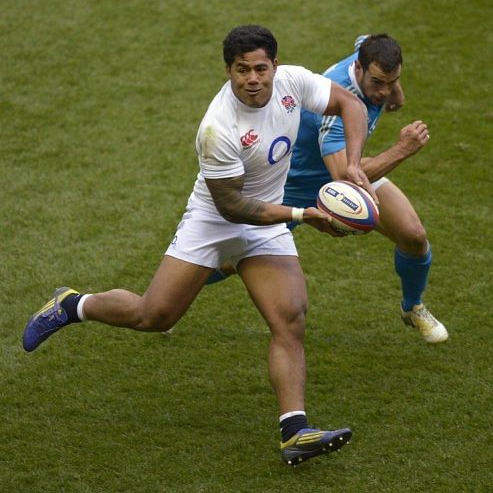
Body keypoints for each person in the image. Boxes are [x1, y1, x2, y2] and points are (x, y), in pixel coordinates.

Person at [23, 25, 374, 465]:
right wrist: (302, 215)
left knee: (290, 318)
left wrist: (354, 165)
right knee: (153, 315)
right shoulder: (217, 128)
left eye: (260, 68)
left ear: (275, 66)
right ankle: (73, 305)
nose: (253, 78)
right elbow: (233, 206)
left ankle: (295, 431)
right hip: (215, 221)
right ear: (228, 70)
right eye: (242, 70)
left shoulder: (293, 82)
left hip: (266, 222)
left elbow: (349, 104)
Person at [283, 34, 448, 343]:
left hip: (344, 167)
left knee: (413, 235)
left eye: (392, 81)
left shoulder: (368, 53)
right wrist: (402, 149)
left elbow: (367, 38)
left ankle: (412, 307)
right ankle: (171, 303)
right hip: (296, 185)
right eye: (377, 83)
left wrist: (394, 90)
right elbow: (345, 180)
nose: (383, 92)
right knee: (232, 260)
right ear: (358, 68)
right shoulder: (338, 108)